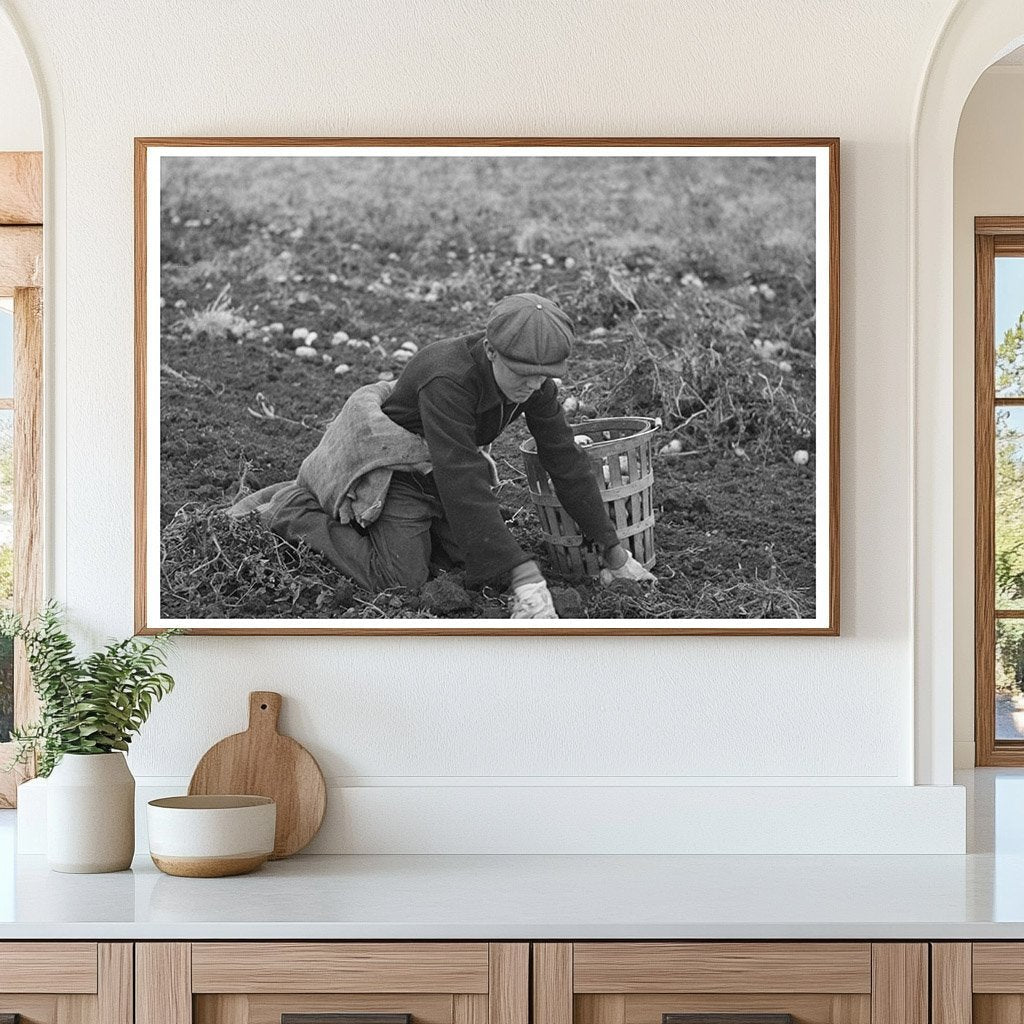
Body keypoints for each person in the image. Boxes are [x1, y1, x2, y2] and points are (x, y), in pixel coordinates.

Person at [233, 293, 654, 618]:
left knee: (469, 559)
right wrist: (523, 575)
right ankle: (296, 512)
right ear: (491, 351)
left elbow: (564, 459)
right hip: (397, 468)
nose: (533, 386)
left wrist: (613, 552)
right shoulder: (448, 378)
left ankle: (409, 532)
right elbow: (462, 475)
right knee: (401, 579)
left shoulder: (535, 384)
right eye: (523, 374)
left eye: (544, 376)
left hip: (437, 469)